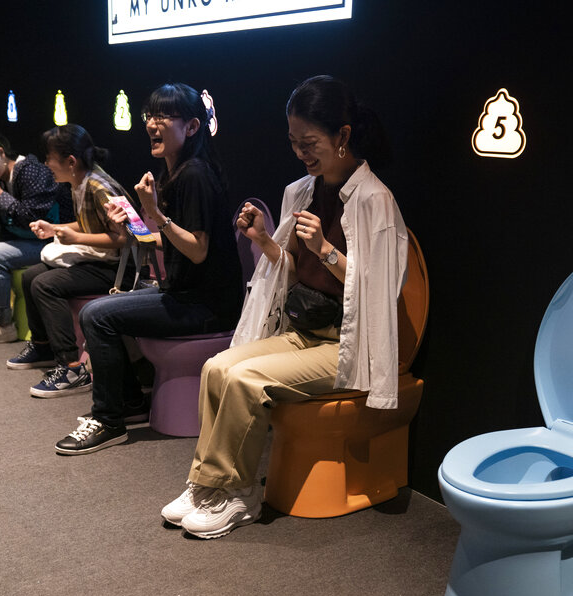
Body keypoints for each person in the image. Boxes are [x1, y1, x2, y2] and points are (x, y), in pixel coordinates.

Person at [161, 75, 409, 539]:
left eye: (310, 142)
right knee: (217, 367)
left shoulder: (376, 200)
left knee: (246, 378)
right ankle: (206, 484)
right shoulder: (302, 191)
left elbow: (379, 293)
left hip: (346, 344)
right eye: (294, 143)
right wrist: (262, 241)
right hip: (303, 330)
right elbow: (292, 268)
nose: (302, 153)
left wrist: (329, 252)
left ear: (344, 136)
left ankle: (238, 493)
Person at [54, 82, 243, 455]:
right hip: (186, 294)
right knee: (111, 307)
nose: (152, 124)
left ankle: (109, 420)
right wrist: (134, 225)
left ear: (190, 127)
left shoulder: (195, 175)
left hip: (204, 306)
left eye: (163, 116)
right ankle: (128, 402)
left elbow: (199, 251)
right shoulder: (178, 171)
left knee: (97, 315)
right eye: (150, 116)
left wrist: (154, 214)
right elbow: (169, 241)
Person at [6, 124, 132, 398]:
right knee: (31, 277)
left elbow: (124, 239)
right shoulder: (79, 181)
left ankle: (72, 367)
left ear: (70, 161)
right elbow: (89, 224)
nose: (46, 164)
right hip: (98, 259)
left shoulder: (100, 186)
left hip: (117, 268)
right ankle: (42, 346)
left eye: (49, 157)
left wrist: (74, 238)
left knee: (45, 284)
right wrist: (56, 229)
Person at [0, 130, 72, 345]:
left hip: (48, 239)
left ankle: (1, 325)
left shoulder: (30, 172)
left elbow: (32, 218)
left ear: (0, 153)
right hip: (22, 237)